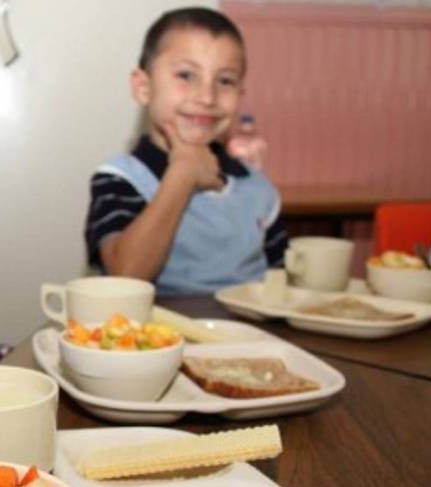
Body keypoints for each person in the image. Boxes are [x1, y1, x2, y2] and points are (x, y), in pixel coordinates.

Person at [84, 7, 287, 295]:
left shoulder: (259, 192)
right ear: (144, 87)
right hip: (157, 337)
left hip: (251, 337)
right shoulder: (120, 179)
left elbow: (282, 290)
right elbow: (125, 278)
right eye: (186, 75)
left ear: (240, 96)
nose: (207, 97)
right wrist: (182, 174)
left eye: (225, 81)